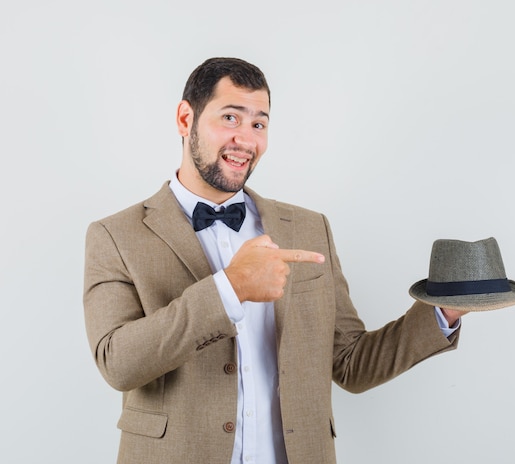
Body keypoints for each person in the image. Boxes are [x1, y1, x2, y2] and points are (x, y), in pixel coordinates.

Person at [83, 57, 465, 464]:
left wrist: (442, 312)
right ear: (184, 118)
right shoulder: (116, 235)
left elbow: (351, 364)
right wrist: (229, 289)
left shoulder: (308, 228)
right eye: (230, 117)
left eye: (258, 124)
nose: (246, 141)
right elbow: (117, 363)